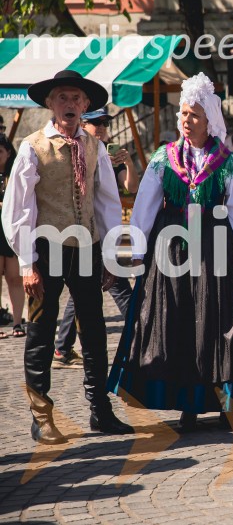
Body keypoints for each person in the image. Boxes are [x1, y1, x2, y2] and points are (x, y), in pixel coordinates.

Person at [108, 73, 233, 433]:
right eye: (183, 113)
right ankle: (187, 404)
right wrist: (138, 250)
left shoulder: (227, 162)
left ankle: (225, 403)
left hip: (214, 248)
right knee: (177, 322)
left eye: (193, 114)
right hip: (171, 251)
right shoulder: (165, 158)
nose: (186, 120)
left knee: (219, 323)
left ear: (210, 119)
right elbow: (145, 205)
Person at [2, 69, 133, 444]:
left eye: (76, 99)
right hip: (47, 250)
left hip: (87, 248)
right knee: (41, 332)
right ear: (49, 104)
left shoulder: (96, 148)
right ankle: (41, 417)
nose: (70, 104)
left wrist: (109, 255)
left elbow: (107, 202)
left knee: (93, 332)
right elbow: (18, 209)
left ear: (87, 105)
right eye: (62, 97)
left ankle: (100, 411)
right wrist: (26, 262)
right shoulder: (32, 146)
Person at [53, 108, 137, 368]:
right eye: (94, 123)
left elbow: (131, 188)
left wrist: (129, 162)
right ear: (82, 124)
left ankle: (61, 349)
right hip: (83, 232)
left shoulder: (114, 155)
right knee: (119, 288)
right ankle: (142, 336)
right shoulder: (77, 153)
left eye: (104, 123)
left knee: (83, 290)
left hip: (104, 232)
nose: (101, 128)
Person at [0, 135, 25, 338]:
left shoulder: (15, 174)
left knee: (15, 278)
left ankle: (17, 323)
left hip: (11, 232)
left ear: (8, 152)